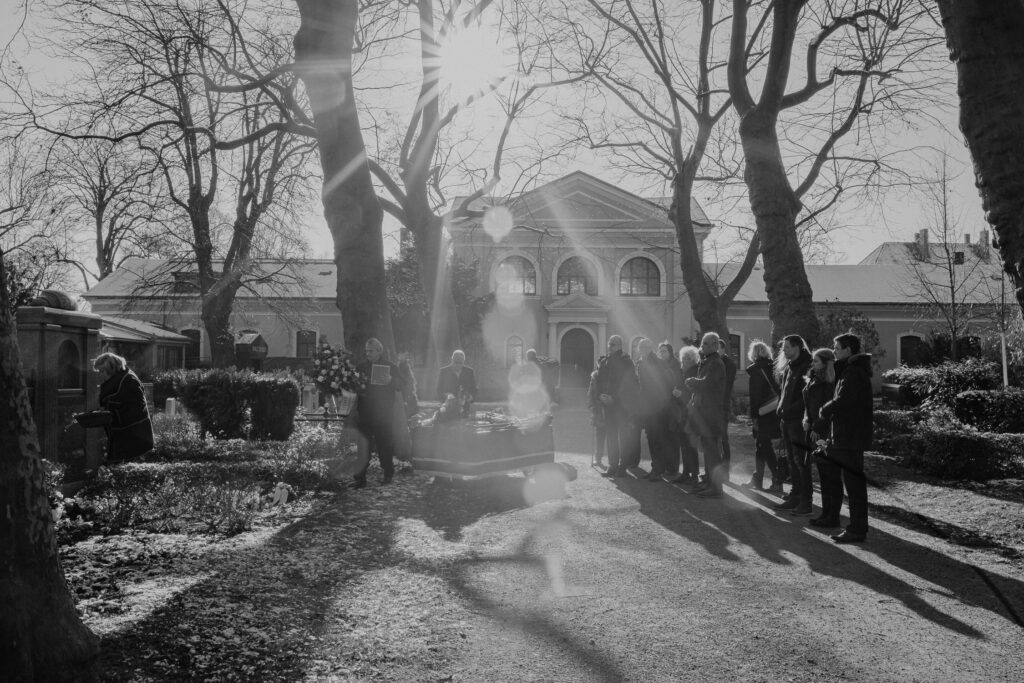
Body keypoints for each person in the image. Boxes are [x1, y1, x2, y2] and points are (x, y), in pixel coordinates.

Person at [818, 333, 873, 543]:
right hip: (847, 435)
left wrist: (825, 408)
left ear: (849, 349)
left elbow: (845, 401)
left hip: (851, 436)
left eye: (837, 347)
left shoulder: (854, 372)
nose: (834, 351)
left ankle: (857, 529)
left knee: (854, 485)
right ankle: (856, 527)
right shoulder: (850, 370)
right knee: (852, 483)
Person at [352, 338, 407, 489]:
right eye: (366, 350)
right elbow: (353, 386)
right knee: (363, 447)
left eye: (370, 351)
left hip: (383, 414)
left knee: (384, 445)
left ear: (379, 351)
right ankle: (360, 478)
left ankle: (388, 475)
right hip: (365, 412)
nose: (367, 353)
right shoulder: (361, 367)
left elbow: (402, 385)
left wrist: (391, 380)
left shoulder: (390, 367)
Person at [773, 335, 813, 514]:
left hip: (798, 420)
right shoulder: (790, 367)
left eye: (787, 347)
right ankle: (795, 495)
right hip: (786, 419)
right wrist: (781, 409)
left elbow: (807, 397)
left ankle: (805, 499)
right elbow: (784, 392)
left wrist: (789, 410)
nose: (784, 351)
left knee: (800, 461)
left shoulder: (807, 366)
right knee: (791, 459)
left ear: (797, 347)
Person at [684, 332, 727, 498]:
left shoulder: (716, 363)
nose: (703, 347)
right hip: (705, 412)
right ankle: (710, 483)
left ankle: (716, 488)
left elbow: (708, 383)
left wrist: (692, 381)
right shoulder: (708, 361)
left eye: (707, 344)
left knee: (712, 453)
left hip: (711, 413)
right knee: (708, 452)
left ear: (716, 345)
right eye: (703, 344)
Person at [93, 352, 153, 462]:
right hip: (118, 435)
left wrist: (111, 413)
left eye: (102, 371)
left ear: (112, 368)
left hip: (135, 436)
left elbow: (138, 408)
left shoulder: (129, 380)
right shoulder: (111, 382)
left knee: (128, 470)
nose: (100, 375)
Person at [802, 348, 837, 526]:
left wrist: (817, 426)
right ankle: (826, 512)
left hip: (821, 433)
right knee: (823, 472)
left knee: (827, 471)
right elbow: (810, 406)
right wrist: (807, 419)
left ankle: (830, 514)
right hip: (813, 429)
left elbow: (826, 409)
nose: (813, 364)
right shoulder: (814, 379)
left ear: (824, 363)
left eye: (816, 361)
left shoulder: (827, 382)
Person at [743, 341, 782, 492]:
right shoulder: (775, 367)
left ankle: (776, 480)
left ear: (753, 354)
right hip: (776, 409)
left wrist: (753, 417)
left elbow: (755, 396)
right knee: (762, 445)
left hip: (763, 412)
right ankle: (757, 478)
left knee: (764, 446)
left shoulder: (755, 371)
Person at [595, 335, 635, 478]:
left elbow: (629, 384)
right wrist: (600, 395)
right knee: (611, 436)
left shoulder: (626, 361)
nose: (610, 346)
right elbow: (598, 381)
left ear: (619, 345)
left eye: (613, 344)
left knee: (623, 437)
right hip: (607, 404)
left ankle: (623, 466)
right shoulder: (605, 361)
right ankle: (613, 465)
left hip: (621, 405)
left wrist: (615, 398)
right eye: (609, 344)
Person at [635, 338, 672, 480]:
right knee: (651, 438)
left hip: (657, 407)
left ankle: (658, 470)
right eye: (641, 347)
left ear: (651, 348)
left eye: (645, 347)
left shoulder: (658, 363)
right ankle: (656, 468)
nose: (643, 349)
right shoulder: (642, 363)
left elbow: (668, 382)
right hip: (648, 407)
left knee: (657, 439)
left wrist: (659, 402)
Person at [670, 345, 701, 484]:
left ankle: (693, 473)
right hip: (681, 412)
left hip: (690, 412)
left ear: (693, 359)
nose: (684, 360)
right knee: (684, 443)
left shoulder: (695, 371)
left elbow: (694, 394)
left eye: (687, 358)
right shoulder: (683, 371)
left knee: (690, 444)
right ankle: (686, 472)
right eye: (683, 358)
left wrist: (680, 394)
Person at [656, 342, 681, 479]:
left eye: (664, 351)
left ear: (670, 352)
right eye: (660, 351)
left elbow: (676, 383)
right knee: (664, 437)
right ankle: (666, 465)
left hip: (672, 405)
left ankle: (673, 467)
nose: (661, 353)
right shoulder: (660, 365)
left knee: (672, 438)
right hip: (662, 405)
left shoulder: (675, 365)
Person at [437, 349, 476, 417]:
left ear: (463, 361)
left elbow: (474, 388)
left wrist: (471, 397)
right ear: (452, 360)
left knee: (465, 426)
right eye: (456, 362)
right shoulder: (444, 371)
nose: (458, 364)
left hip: (465, 407)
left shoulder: (469, 371)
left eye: (460, 363)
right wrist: (446, 395)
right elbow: (438, 390)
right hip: (448, 407)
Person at [718, 338, 737, 468]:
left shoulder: (728, 363)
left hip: (722, 405)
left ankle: (725, 470)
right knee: (713, 440)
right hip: (712, 405)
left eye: (718, 347)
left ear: (723, 349)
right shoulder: (709, 361)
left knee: (723, 438)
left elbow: (726, 385)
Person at [587, 364, 606, 468]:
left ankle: (614, 460)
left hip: (608, 409)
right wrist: (591, 406)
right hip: (598, 410)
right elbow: (590, 393)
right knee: (600, 435)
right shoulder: (594, 377)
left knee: (610, 436)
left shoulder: (609, 376)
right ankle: (598, 458)